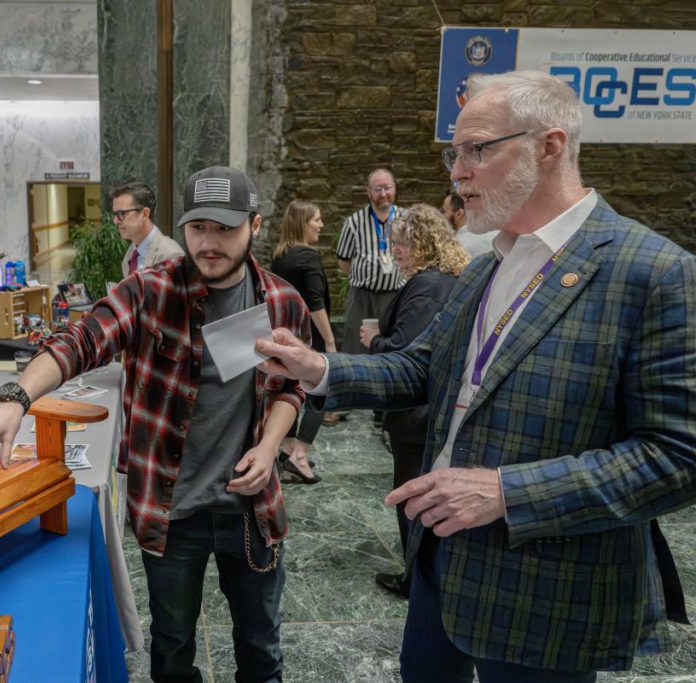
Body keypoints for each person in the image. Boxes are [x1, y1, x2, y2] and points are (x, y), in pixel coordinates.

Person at [255, 70, 696, 682]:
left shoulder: (654, 273)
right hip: (442, 564)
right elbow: (423, 367)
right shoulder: (489, 266)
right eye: (453, 153)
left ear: (550, 145)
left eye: (476, 150)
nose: (456, 173)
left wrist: (506, 493)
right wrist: (318, 367)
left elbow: (675, 458)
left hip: (546, 593)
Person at [0, 166, 310, 683]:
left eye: (225, 228)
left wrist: (271, 446)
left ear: (256, 224)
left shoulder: (282, 302)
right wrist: (17, 397)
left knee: (260, 645)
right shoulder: (148, 293)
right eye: (199, 227)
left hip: (251, 509)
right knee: (173, 644)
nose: (209, 242)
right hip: (171, 510)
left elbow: (291, 387)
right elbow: (80, 341)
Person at [357, 203, 470, 598]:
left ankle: (415, 581)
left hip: (417, 414)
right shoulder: (450, 278)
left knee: (412, 496)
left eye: (402, 243)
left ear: (424, 243)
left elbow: (408, 354)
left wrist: (374, 340)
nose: (395, 251)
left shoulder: (427, 285)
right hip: (437, 410)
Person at [270, 199, 334, 484]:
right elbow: (316, 304)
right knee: (321, 392)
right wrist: (330, 341)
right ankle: (299, 455)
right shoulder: (308, 256)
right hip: (310, 338)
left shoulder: (280, 255)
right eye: (316, 220)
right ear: (302, 223)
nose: (320, 225)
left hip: (286, 333)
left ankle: (287, 449)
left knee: (290, 389)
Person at [335, 168, 406, 355]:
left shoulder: (407, 219)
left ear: (395, 188)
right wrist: (366, 276)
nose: (383, 194)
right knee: (355, 346)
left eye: (387, 188)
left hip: (395, 296)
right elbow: (343, 262)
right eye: (377, 189)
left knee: (390, 345)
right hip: (361, 298)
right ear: (368, 192)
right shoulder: (354, 223)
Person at [111, 181, 184, 277]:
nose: (116, 221)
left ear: (145, 214)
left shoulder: (171, 255)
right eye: (115, 214)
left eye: (122, 214)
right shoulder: (130, 256)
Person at [443, 189, 492, 257]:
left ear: (459, 214)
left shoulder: (454, 246)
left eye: (444, 211)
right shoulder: (498, 234)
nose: (442, 216)